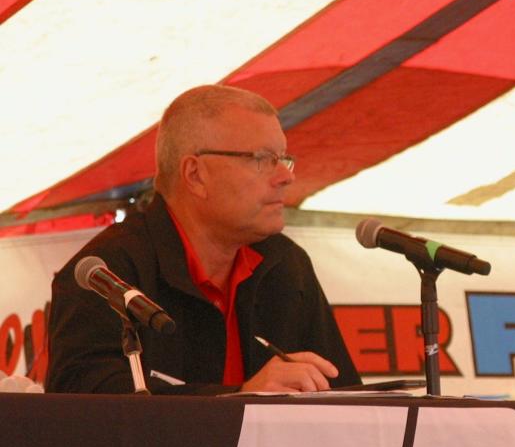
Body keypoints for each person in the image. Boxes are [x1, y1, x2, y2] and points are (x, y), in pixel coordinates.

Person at [46, 85, 361, 394]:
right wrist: (240, 398)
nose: (286, 176)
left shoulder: (285, 263)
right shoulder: (105, 273)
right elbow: (83, 410)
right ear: (195, 174)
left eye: (284, 158)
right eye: (263, 159)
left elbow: (345, 397)